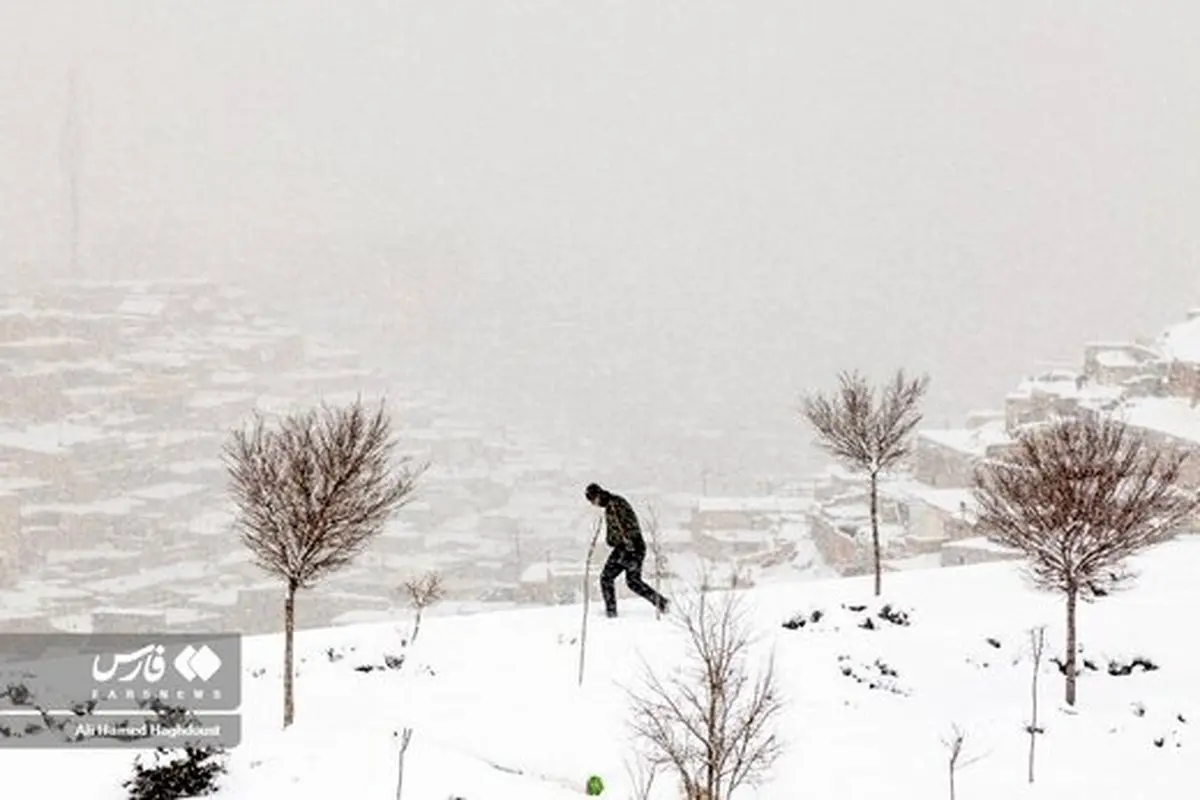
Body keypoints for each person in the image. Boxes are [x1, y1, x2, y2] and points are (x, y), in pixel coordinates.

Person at [585, 483, 669, 618]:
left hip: (628, 547)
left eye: (592, 500)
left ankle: (611, 613)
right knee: (633, 582)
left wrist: (616, 541)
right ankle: (662, 603)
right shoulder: (615, 503)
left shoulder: (614, 505)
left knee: (606, 578)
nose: (593, 504)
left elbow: (626, 528)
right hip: (636, 546)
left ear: (598, 495)